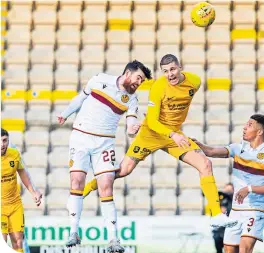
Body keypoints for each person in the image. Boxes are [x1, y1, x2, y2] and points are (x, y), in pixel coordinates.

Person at [83, 54, 237, 229]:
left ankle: (216, 215)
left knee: (205, 164)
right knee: (124, 170)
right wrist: (171, 134)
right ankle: (86, 189)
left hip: (174, 135)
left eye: (172, 69)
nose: (170, 74)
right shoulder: (158, 88)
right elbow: (155, 121)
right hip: (152, 133)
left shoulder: (195, 82)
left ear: (180, 67)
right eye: (165, 71)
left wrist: (174, 133)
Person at [57, 60, 152, 252]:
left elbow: (130, 126)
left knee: (107, 187)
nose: (138, 83)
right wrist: (65, 113)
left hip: (105, 142)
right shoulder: (99, 80)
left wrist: (133, 129)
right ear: (127, 73)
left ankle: (113, 240)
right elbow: (80, 98)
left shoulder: (132, 99)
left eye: (141, 81)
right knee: (76, 181)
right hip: (81, 137)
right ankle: (73, 231)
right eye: (138, 78)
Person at [193, 114, 264, 253]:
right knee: (228, 250)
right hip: (235, 210)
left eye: (249, 125)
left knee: (244, 249)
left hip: (255, 209)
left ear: (259, 131)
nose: (244, 127)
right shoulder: (238, 148)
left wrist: (249, 188)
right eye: (246, 124)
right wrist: (198, 145)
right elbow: (211, 151)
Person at [1, 128, 42, 252]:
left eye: (4, 140)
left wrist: (33, 192)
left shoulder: (14, 154)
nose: (2, 144)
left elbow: (22, 173)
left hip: (15, 205)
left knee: (18, 241)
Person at [212, 183, 234, 253]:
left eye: (229, 190)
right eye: (226, 189)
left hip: (230, 229)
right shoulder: (220, 199)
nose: (227, 192)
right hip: (219, 229)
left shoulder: (235, 201)